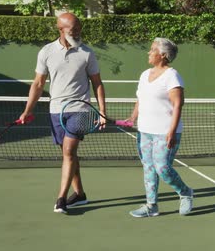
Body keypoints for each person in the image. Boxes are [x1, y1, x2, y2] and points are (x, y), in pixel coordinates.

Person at [20, 12, 106, 215]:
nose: (77, 32)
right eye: (73, 29)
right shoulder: (46, 52)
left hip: (80, 109)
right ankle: (80, 194)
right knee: (68, 154)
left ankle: (61, 199)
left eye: (79, 28)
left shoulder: (87, 53)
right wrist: (28, 110)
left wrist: (102, 111)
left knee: (68, 152)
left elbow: (97, 83)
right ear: (61, 29)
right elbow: (38, 83)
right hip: (56, 111)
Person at [126, 38, 193, 217]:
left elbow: (178, 105)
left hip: (165, 132)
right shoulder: (144, 75)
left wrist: (171, 131)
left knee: (162, 167)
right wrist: (133, 117)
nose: (149, 53)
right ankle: (151, 206)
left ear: (163, 55)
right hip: (145, 130)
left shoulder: (172, 76)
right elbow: (141, 98)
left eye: (152, 50)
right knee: (148, 166)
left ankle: (185, 192)